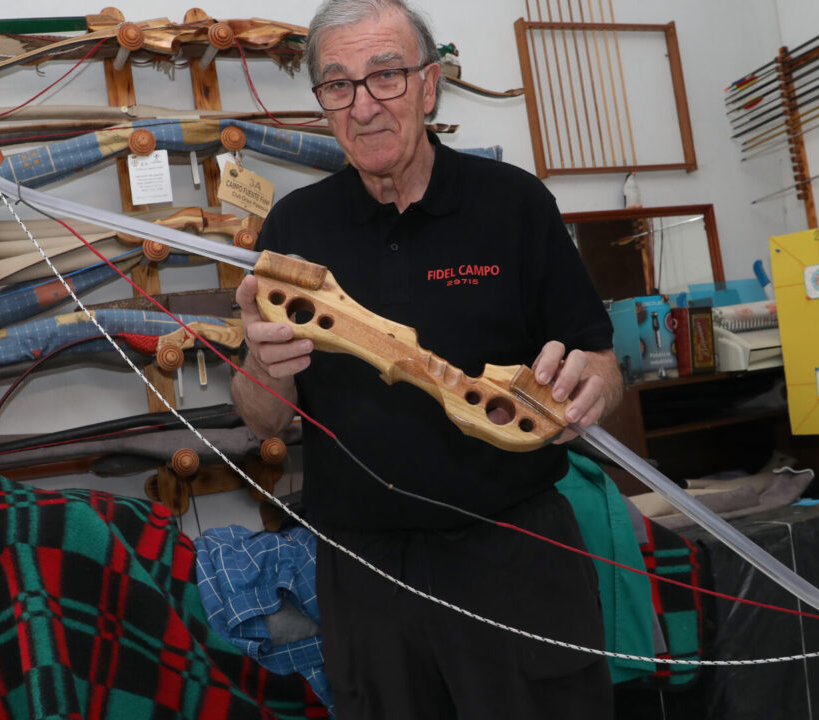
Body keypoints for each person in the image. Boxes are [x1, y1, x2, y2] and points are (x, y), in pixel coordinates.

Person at [231, 1, 623, 717]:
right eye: (339, 85)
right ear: (322, 102)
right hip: (364, 571)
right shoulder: (294, 228)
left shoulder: (513, 204)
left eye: (386, 76)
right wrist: (268, 367)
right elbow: (262, 418)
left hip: (513, 556)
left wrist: (589, 386)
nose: (365, 106)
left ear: (429, 85)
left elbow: (600, 362)